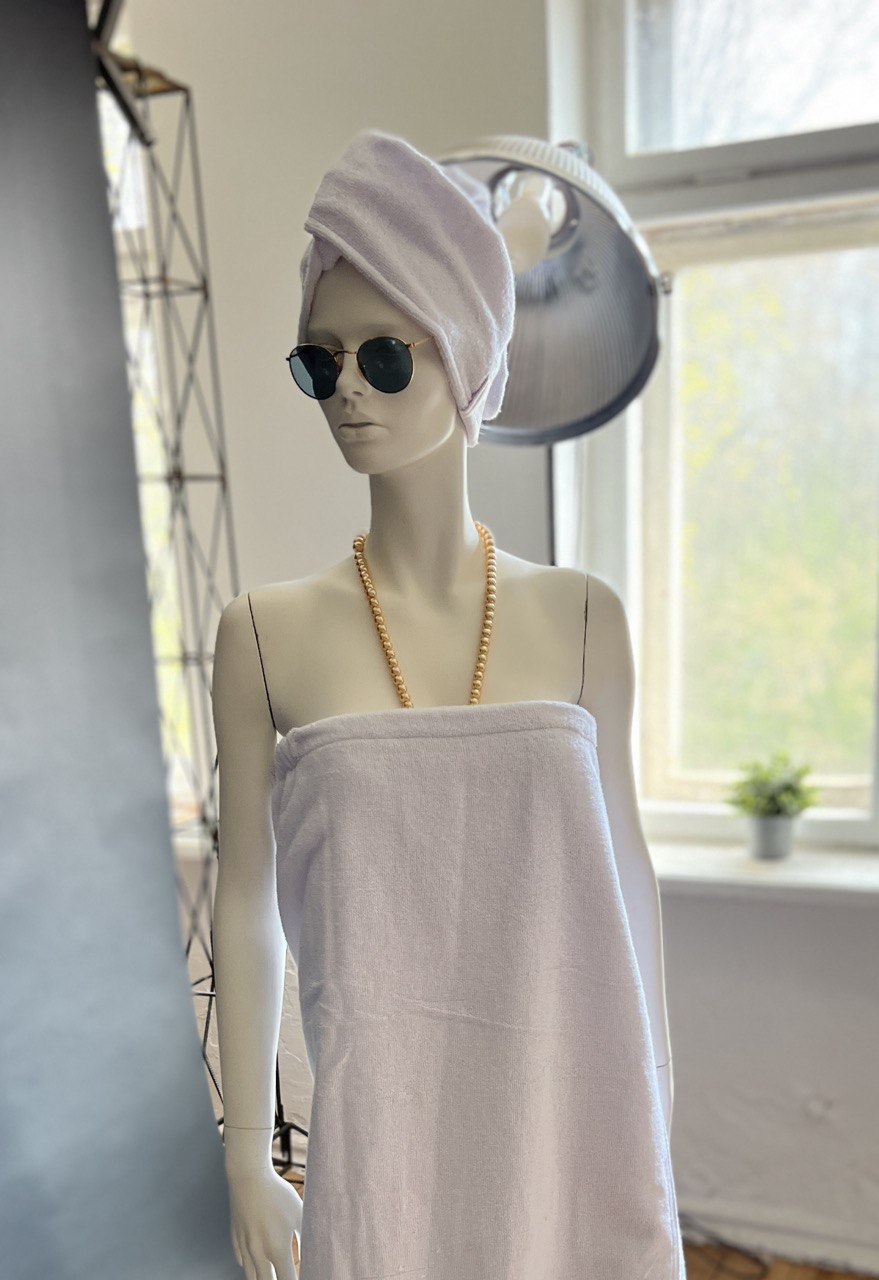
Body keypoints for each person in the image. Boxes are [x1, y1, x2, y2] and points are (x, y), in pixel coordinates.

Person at [210, 129, 681, 1280]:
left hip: (575, 1120)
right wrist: (244, 1152)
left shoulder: (583, 617)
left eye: (384, 355)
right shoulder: (262, 634)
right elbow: (246, 899)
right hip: (386, 1146)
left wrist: (657, 1115)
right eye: (319, 361)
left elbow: (629, 883)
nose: (346, 390)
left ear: (466, 352)